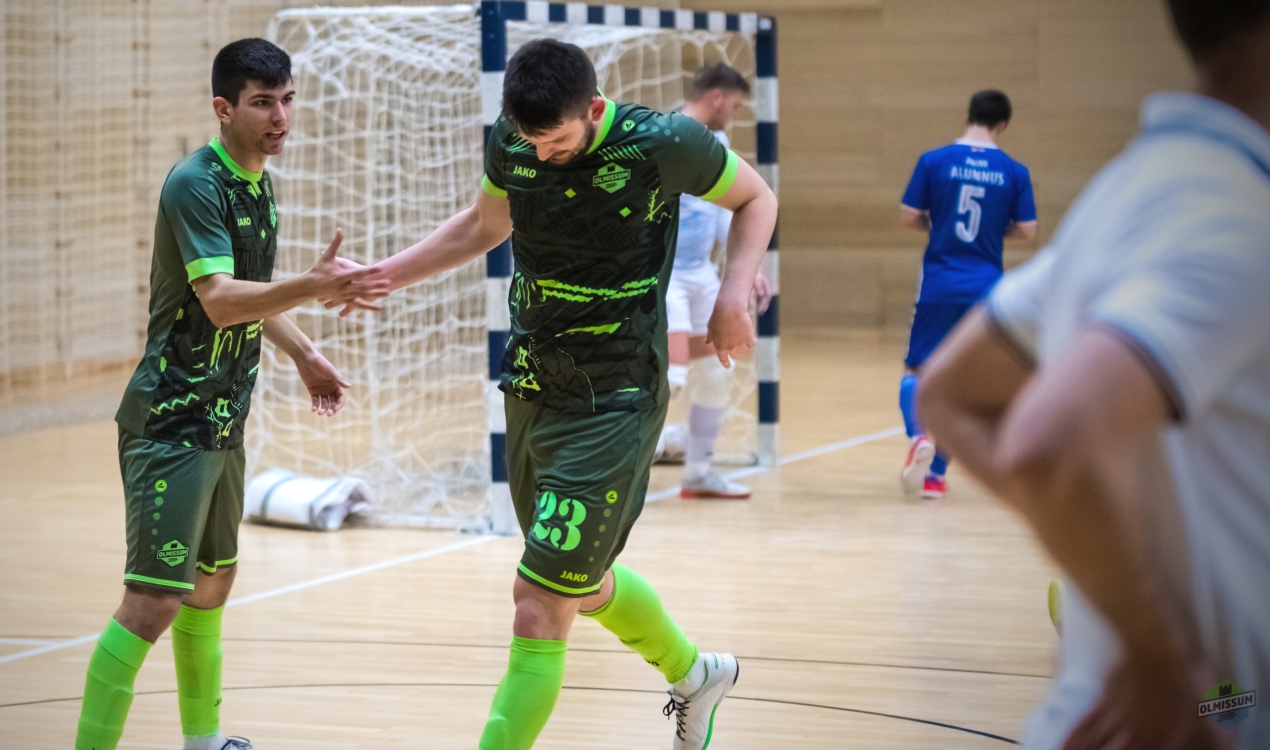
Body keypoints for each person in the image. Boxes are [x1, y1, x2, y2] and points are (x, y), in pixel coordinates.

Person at [363, 40, 776, 750]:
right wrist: (384, 275)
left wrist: (733, 294)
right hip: (533, 386)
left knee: (537, 602)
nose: (542, 155)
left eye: (555, 142)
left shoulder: (662, 143)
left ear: (593, 108)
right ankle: (696, 673)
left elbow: (755, 197)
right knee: (579, 584)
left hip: (616, 398)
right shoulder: (514, 139)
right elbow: (483, 225)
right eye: (531, 142)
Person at [918, 0, 1270, 746]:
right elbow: (1049, 441)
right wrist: (1162, 653)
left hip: (1195, 706)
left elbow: (949, 393)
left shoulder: (1136, 187)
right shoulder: (1235, 216)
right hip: (1198, 718)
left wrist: (1102, 555)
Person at [74, 39, 387, 750]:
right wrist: (313, 284)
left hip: (223, 419)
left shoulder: (257, 185)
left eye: (288, 100)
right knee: (153, 600)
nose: (281, 117)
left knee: (213, 581)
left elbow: (253, 293)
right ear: (224, 108)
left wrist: (306, 353)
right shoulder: (196, 184)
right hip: (171, 420)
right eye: (262, 103)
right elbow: (219, 300)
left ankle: (205, 740)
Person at [897, 90, 1037, 499]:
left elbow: (908, 216)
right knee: (962, 383)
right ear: (1002, 125)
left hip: (939, 282)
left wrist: (940, 224)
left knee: (916, 370)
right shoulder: (1014, 171)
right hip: (986, 289)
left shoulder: (934, 161)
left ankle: (918, 438)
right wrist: (993, 231)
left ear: (968, 116)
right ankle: (936, 477)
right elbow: (1028, 230)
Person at [656, 63, 772, 499]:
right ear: (718, 98)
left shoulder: (717, 143)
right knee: (671, 378)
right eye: (735, 106)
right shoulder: (666, 136)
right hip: (665, 274)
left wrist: (749, 268)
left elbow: (725, 212)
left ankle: (698, 472)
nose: (734, 115)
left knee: (717, 372)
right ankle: (625, 459)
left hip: (700, 273)